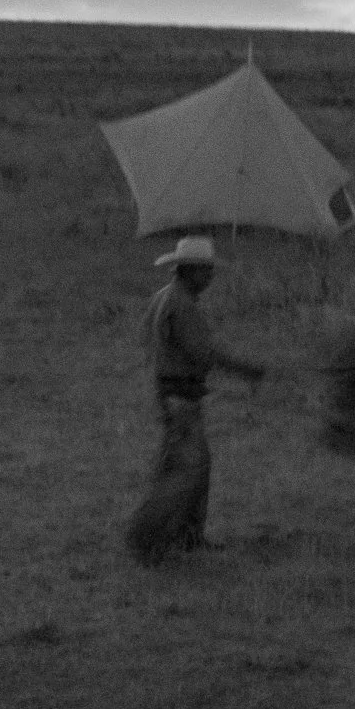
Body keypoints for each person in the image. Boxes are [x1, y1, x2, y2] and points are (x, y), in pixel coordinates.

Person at [125, 235, 265, 564]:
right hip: (181, 397)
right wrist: (247, 370)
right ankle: (149, 540)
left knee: (189, 468)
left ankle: (185, 538)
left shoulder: (164, 297)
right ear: (191, 271)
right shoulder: (183, 307)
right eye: (207, 271)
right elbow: (205, 353)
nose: (211, 277)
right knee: (184, 472)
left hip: (171, 392)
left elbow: (148, 339)